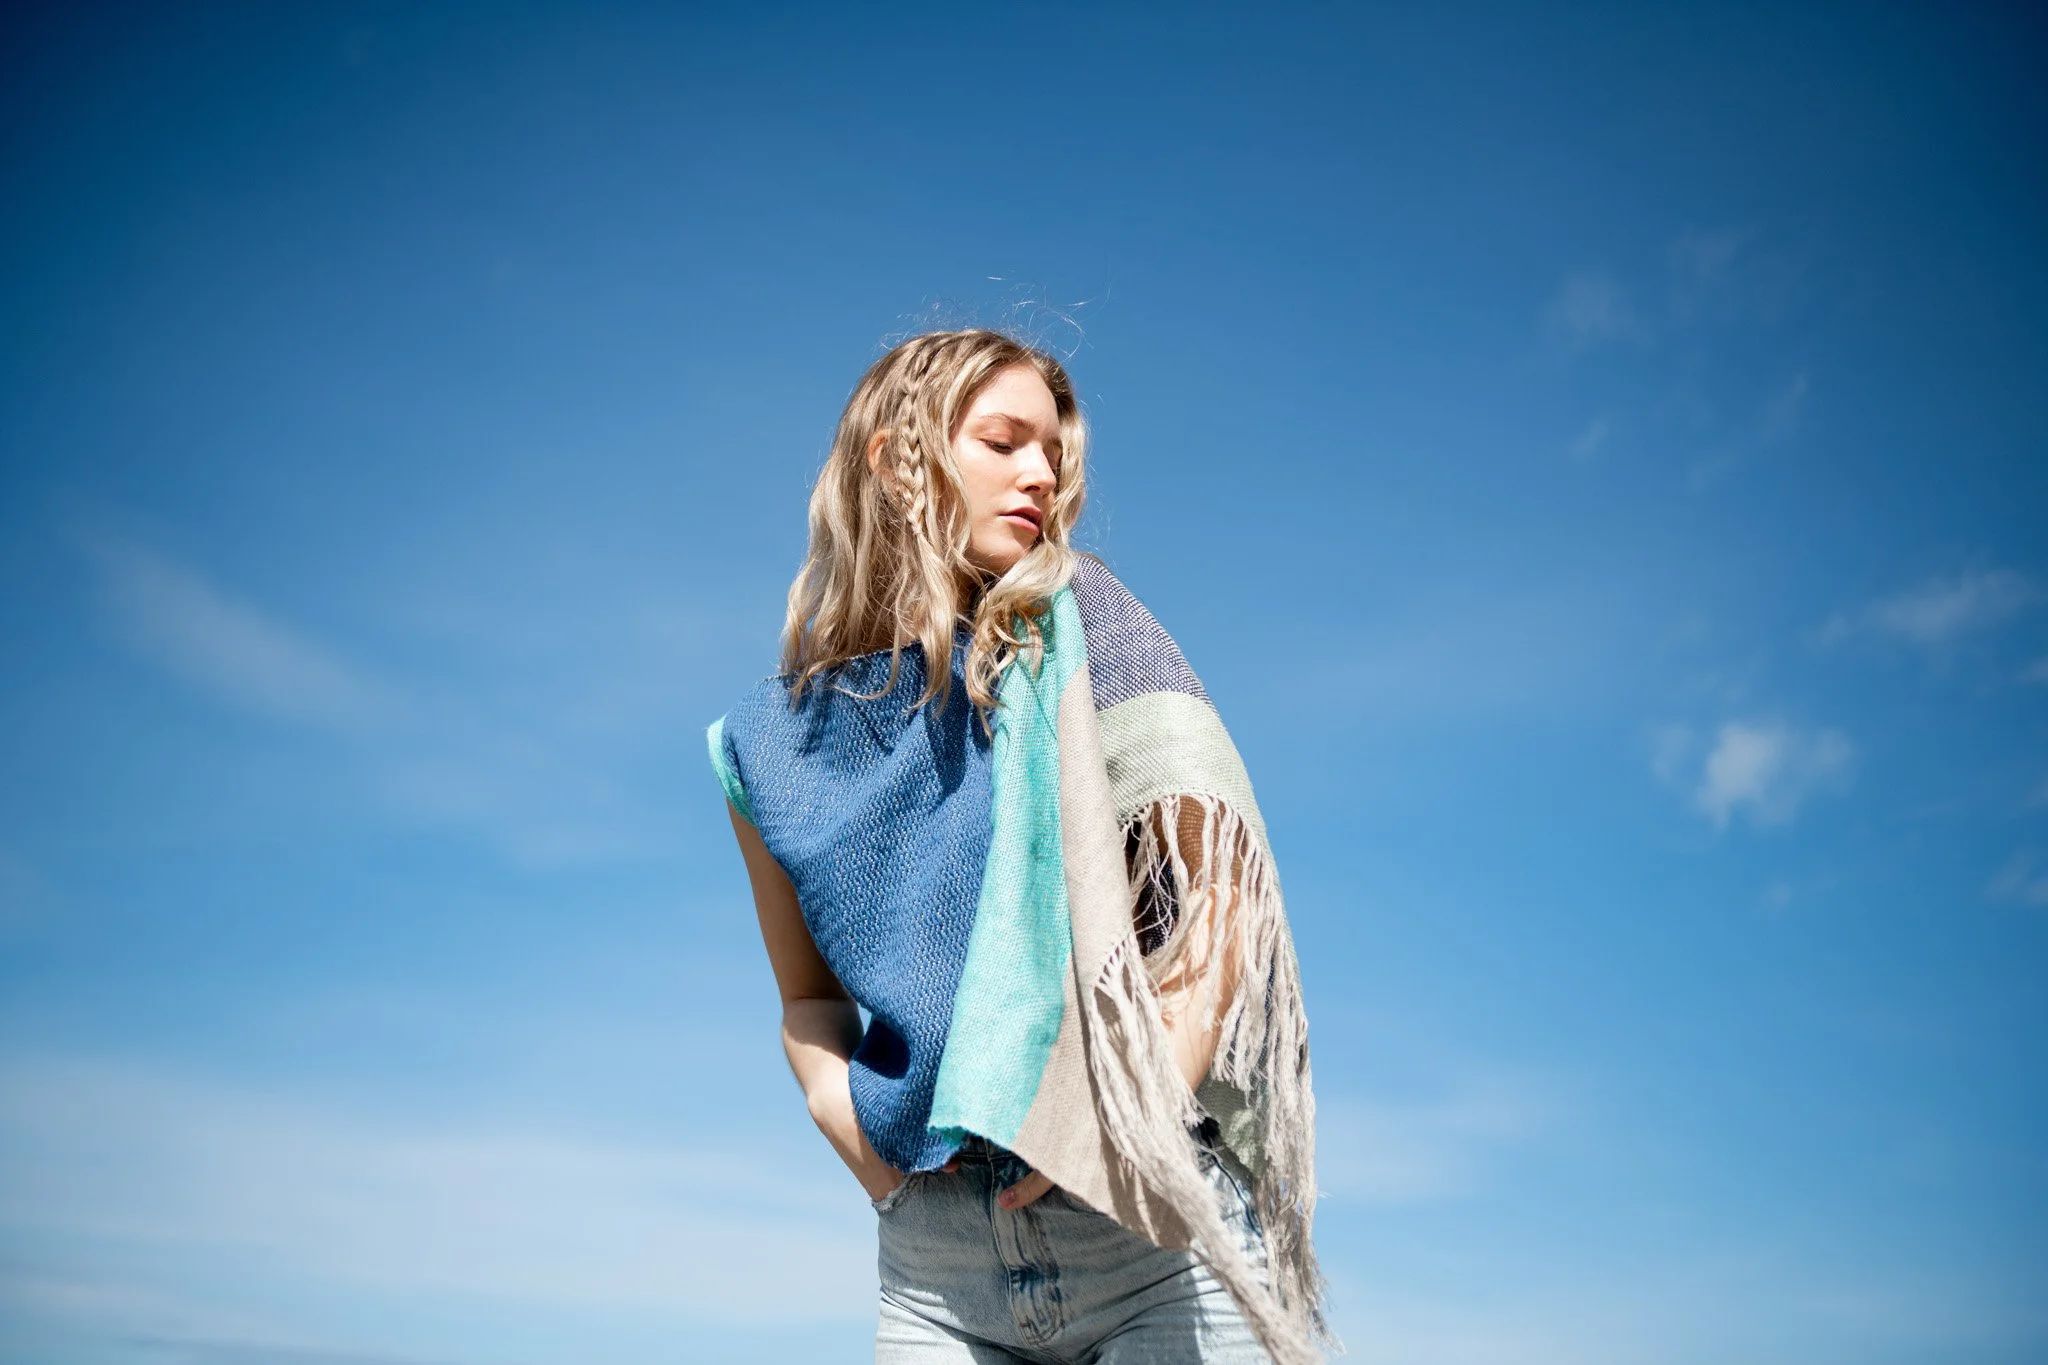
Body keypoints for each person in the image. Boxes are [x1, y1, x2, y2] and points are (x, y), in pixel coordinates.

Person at [708, 328, 1327, 1363]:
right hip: (938, 1267)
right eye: (1002, 442)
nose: (1041, 473)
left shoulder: (1096, 632)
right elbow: (807, 1002)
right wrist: (855, 1139)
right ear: (898, 463)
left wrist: (1122, 1129)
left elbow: (1221, 902)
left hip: (1143, 1234)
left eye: (1051, 450)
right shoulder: (773, 748)